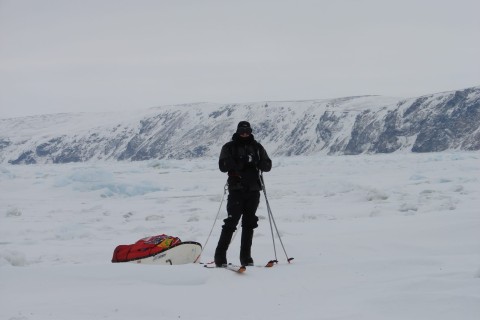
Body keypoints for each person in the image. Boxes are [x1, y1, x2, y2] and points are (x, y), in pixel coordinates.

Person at [215, 121, 272, 267]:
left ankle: (246, 257)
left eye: (247, 131)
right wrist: (241, 163)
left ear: (251, 131)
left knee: (249, 223)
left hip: (253, 190)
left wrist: (258, 163)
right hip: (236, 190)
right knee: (231, 222)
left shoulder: (257, 147)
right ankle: (220, 257)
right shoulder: (229, 147)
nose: (245, 133)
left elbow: (268, 165)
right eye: (242, 131)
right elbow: (223, 166)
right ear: (238, 131)